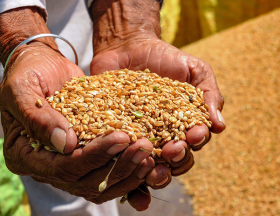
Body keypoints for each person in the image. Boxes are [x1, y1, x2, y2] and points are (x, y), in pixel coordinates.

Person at [0, 0, 226, 215]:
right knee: (58, 163)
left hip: (74, 31)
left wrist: (128, 25)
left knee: (86, 174)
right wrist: (19, 42)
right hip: (23, 61)